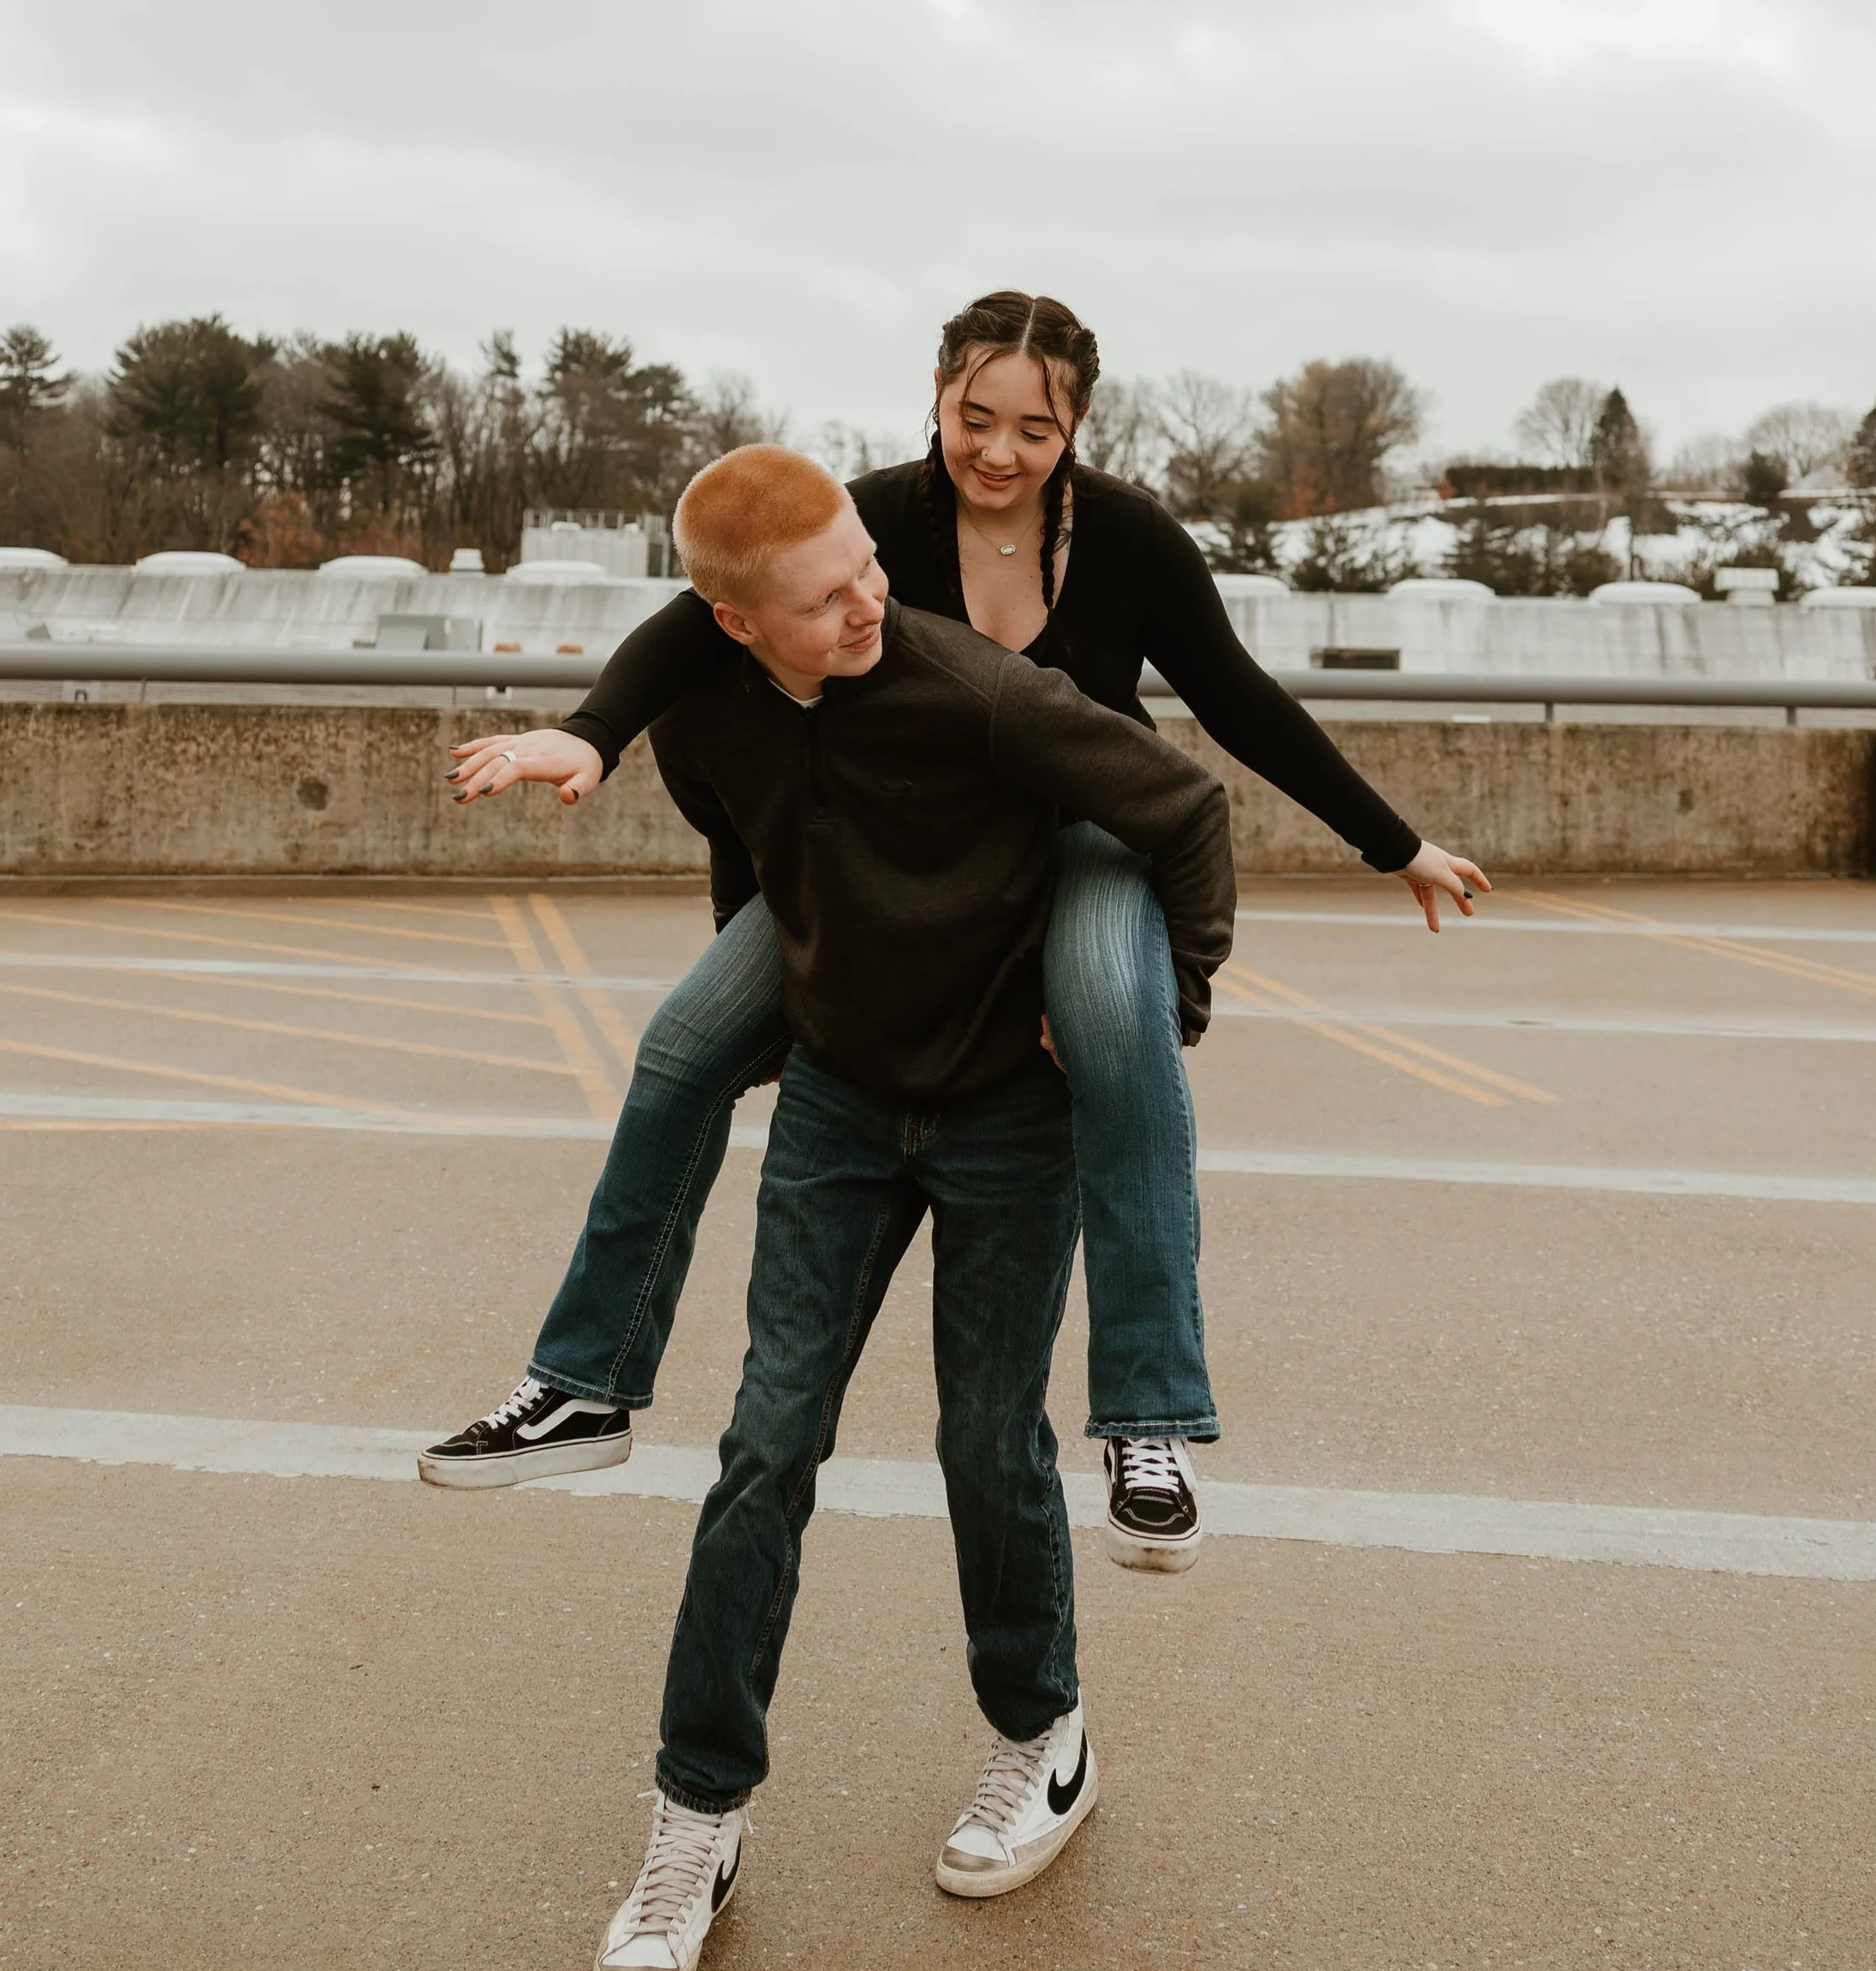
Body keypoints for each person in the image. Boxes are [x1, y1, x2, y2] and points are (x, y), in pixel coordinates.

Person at [426, 290, 1487, 1571]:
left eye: (1033, 428)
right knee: (681, 1042)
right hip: (902, 848)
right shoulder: (872, 516)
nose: (996, 451)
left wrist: (1395, 843)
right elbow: (692, 628)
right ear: (937, 393)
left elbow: (1241, 705)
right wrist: (587, 733)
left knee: (1117, 1023)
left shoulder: (1133, 544)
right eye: (972, 415)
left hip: (1080, 837)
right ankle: (584, 1379)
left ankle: (1149, 1419)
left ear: (1077, 422)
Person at [580, 444, 1234, 1971]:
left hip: (1011, 1114)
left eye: (869, 564)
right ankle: (697, 1819)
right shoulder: (710, 717)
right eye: (826, 594)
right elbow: (756, 868)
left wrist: (1160, 1009)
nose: (872, 598)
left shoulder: (979, 690)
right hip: (843, 1115)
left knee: (984, 1439)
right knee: (766, 1442)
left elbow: (1186, 806)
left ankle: (1042, 1736)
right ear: (739, 624)